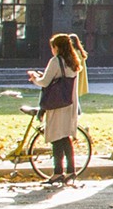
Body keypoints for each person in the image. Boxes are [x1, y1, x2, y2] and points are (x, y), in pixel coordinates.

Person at [33, 32, 88, 181]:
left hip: (57, 104)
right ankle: (71, 170)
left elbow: (45, 82)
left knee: (56, 138)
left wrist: (35, 78)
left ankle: (58, 172)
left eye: (53, 47)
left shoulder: (56, 61)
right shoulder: (73, 61)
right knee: (65, 137)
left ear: (57, 47)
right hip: (69, 103)